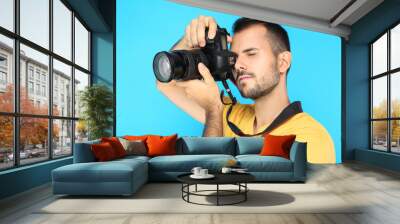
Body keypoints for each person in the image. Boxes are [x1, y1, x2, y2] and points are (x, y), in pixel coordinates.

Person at [156, 16, 335, 163]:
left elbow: (212, 188)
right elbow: (165, 82)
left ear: (283, 62)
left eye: (251, 54)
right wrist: (188, 41)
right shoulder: (230, 114)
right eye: (234, 57)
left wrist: (213, 110)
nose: (238, 65)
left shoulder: (311, 137)